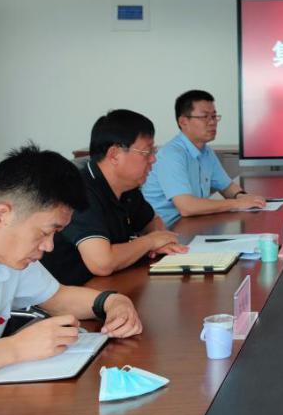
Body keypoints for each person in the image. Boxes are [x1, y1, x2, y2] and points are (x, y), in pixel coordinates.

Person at [0, 144, 144, 394]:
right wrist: (15, 348)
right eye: (45, 233)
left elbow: (58, 298)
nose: (49, 246)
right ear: (0, 216)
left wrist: (113, 302)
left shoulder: (8, 254)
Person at [41, 109, 187, 285]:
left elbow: (153, 223)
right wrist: (150, 242)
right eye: (147, 152)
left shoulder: (127, 186)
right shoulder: (79, 190)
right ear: (114, 154)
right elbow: (102, 263)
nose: (153, 159)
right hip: (72, 291)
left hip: (112, 283)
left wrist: (159, 241)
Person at [142, 89, 266, 224]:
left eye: (214, 116)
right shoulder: (171, 155)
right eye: (204, 117)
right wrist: (237, 203)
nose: (212, 122)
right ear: (183, 121)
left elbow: (227, 186)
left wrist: (242, 197)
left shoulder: (206, 152)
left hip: (193, 224)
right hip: (168, 229)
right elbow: (187, 207)